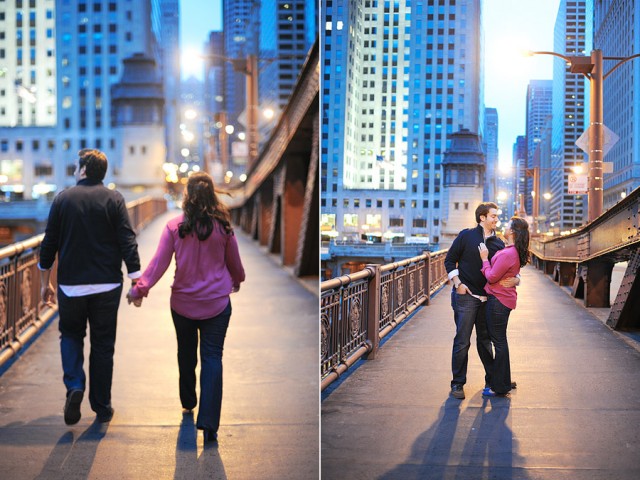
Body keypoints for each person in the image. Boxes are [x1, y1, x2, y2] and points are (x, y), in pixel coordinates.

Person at [127, 171, 245, 443]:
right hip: (217, 303)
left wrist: (139, 289)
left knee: (186, 352)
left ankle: (188, 399)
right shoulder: (224, 227)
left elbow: (158, 264)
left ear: (187, 196)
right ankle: (210, 423)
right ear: (212, 194)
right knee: (213, 358)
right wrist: (237, 280)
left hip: (182, 305)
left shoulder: (174, 227)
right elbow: (235, 263)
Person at [39, 149, 141, 425]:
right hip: (107, 285)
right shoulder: (114, 199)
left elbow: (50, 242)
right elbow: (126, 239)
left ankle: (74, 386)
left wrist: (45, 278)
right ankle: (102, 405)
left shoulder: (63, 199)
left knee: (71, 335)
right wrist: (135, 278)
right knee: (103, 344)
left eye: (76, 166)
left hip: (71, 286)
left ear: (83, 170)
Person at [444, 202, 519, 400]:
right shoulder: (466, 235)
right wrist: (457, 283)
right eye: (493, 216)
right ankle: (458, 383)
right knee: (462, 341)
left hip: (489, 299)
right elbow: (449, 260)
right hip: (466, 297)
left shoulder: (498, 244)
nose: (497, 219)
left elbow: (510, 266)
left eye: (497, 216)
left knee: (485, 341)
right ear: (482, 217)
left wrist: (517, 279)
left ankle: (494, 379)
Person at [479, 216, 530, 397]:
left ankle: (500, 387)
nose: (504, 227)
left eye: (508, 226)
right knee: (501, 342)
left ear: (513, 232)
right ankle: (502, 382)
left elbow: (492, 276)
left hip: (498, 301)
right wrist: (517, 279)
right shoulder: (511, 250)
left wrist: (484, 259)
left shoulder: (509, 253)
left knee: (498, 342)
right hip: (502, 299)